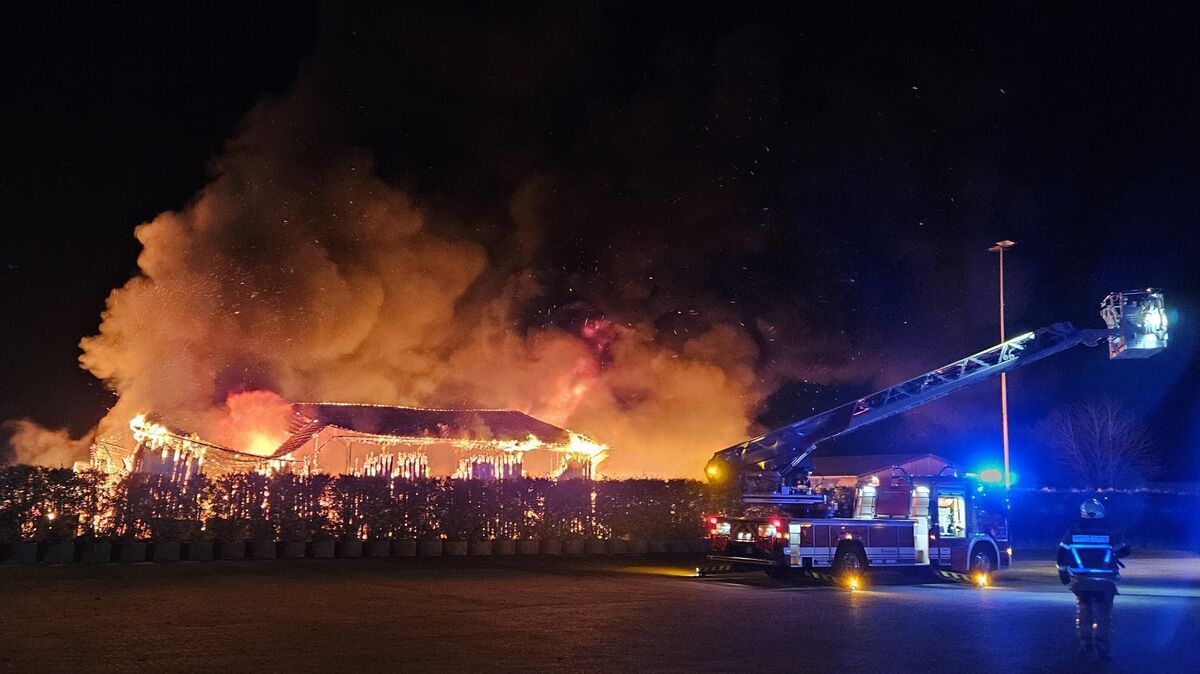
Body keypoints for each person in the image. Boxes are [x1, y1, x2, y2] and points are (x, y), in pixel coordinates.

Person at [1056, 498, 1130, 661]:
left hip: (1082, 580)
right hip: (1105, 581)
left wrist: (1063, 573)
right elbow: (1123, 551)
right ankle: (1102, 650)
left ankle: (1085, 645)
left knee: (1084, 612)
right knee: (1104, 616)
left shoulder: (1073, 531)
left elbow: (1062, 553)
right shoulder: (1110, 532)